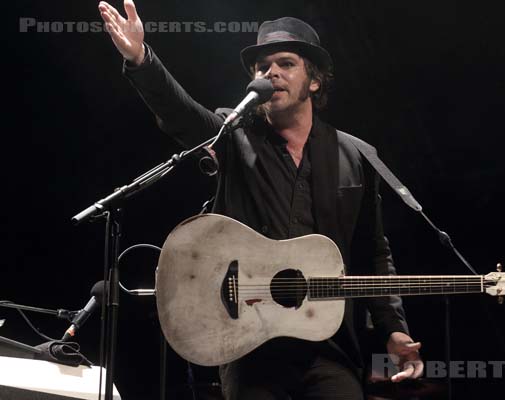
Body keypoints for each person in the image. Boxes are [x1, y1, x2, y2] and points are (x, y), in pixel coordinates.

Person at [98, 1, 423, 398]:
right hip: (247, 342)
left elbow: (372, 251)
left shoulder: (354, 156)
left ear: (314, 80)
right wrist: (141, 59)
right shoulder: (234, 136)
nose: (270, 72)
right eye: (261, 66)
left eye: (286, 63)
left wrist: (395, 330)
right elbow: (180, 114)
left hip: (328, 346)